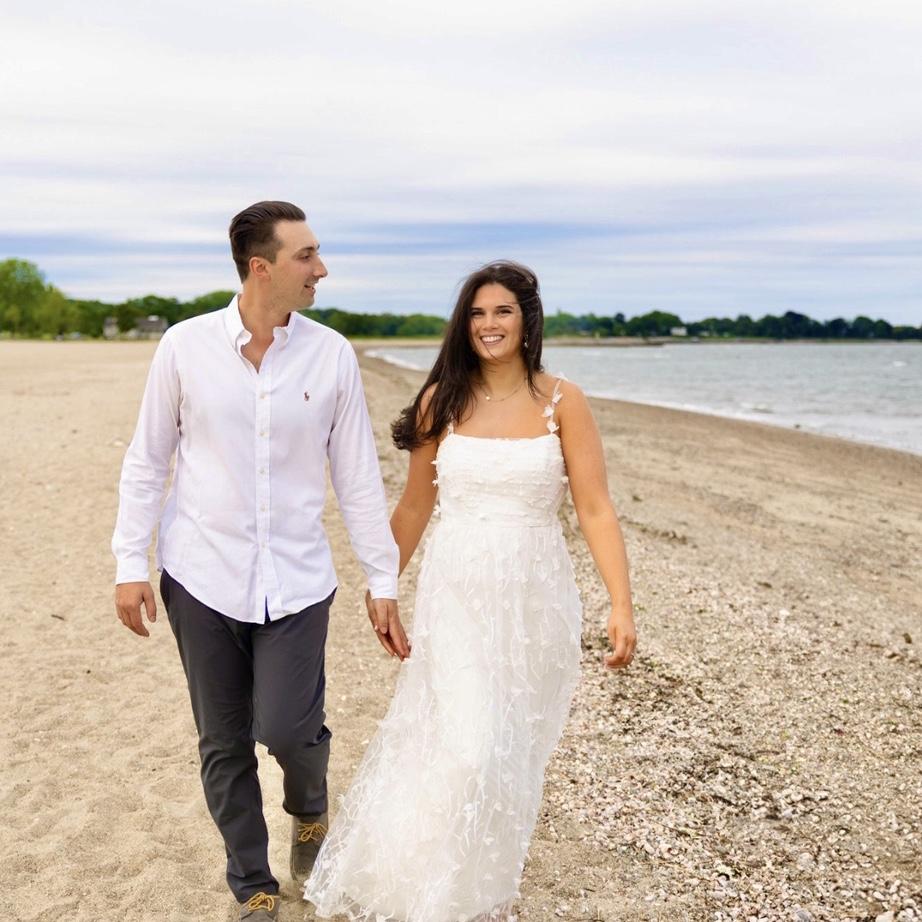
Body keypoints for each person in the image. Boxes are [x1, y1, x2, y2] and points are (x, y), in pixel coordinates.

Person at [304, 260, 636, 921]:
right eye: (478, 313)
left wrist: (620, 603)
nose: (489, 324)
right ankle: (419, 889)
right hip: (456, 592)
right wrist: (382, 584)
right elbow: (414, 506)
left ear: (527, 320)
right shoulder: (442, 401)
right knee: (467, 742)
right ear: (464, 324)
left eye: (502, 311)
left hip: (535, 599)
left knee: (509, 750)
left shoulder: (563, 401)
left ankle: (468, 887)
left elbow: (595, 507)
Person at [111, 201, 409, 922]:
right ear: (261, 267)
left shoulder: (331, 354)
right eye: (307, 256)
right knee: (223, 741)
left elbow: (357, 477)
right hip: (200, 574)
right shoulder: (183, 347)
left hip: (298, 580)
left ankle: (310, 808)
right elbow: (148, 461)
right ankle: (252, 884)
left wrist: (382, 578)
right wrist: (129, 562)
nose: (321, 269)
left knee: (286, 728)